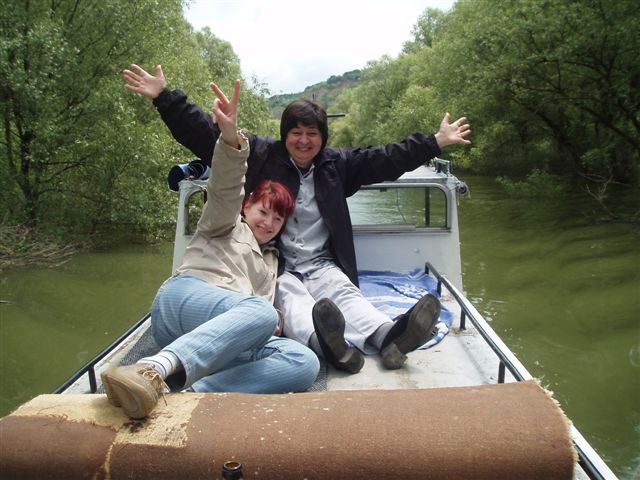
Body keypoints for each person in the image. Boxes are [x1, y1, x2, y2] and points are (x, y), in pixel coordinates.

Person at [123, 64, 471, 374]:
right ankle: (326, 345)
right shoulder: (262, 154)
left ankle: (389, 337)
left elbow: (386, 158)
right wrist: (165, 98)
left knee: (344, 293)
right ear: (285, 134)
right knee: (293, 301)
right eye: (296, 133)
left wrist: (434, 142)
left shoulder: (337, 165)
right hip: (278, 263)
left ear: (322, 138)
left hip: (322, 262)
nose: (304, 141)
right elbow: (209, 135)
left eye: (312, 134)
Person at [101, 80, 320, 419]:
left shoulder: (273, 260)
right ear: (246, 206)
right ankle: (152, 369)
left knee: (304, 362)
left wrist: (275, 318)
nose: (268, 223)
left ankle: (188, 396)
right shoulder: (225, 222)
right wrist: (231, 140)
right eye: (263, 211)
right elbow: (225, 187)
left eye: (278, 218)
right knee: (262, 313)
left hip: (222, 337)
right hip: (185, 301)